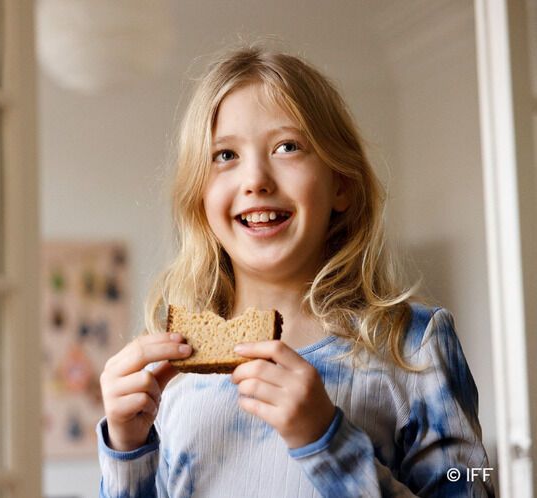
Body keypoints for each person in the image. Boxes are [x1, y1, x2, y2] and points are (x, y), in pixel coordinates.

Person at [96, 45, 496, 497]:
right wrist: (126, 449)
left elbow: (474, 483)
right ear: (200, 195)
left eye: (288, 146)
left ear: (340, 184)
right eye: (225, 155)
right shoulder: (173, 373)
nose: (256, 180)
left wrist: (327, 440)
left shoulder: (411, 344)